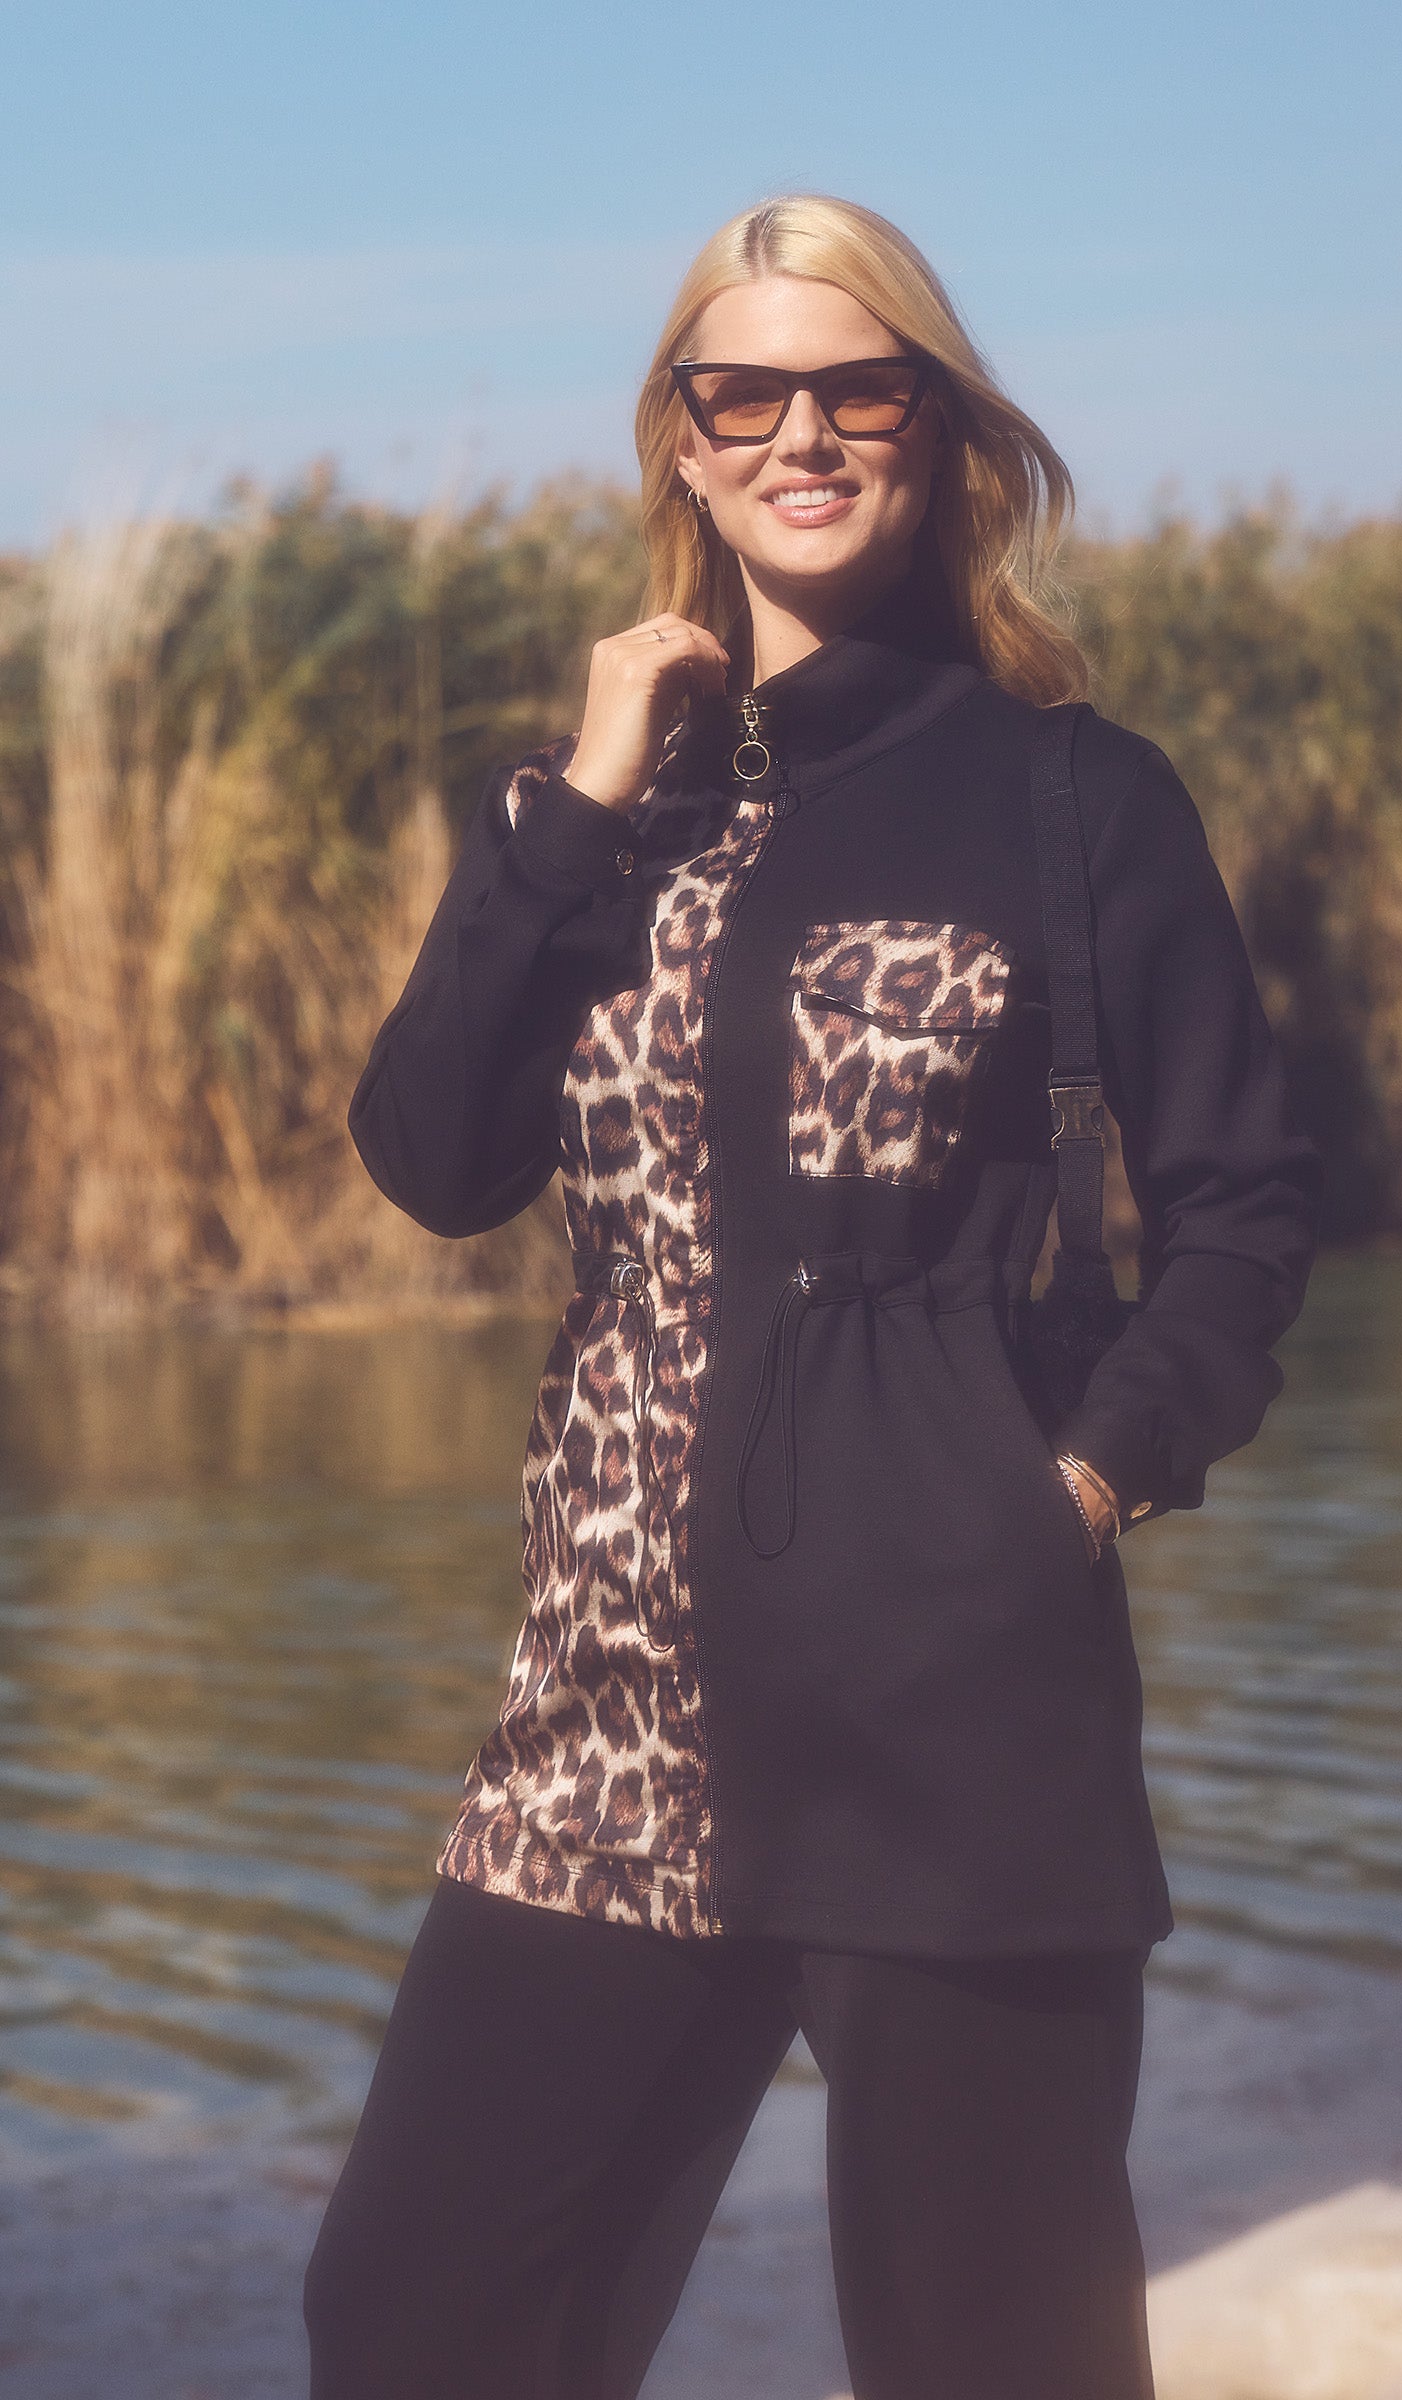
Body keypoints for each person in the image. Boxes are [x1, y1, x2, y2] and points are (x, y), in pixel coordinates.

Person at [305, 192, 1323, 2399]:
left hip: (948, 1700)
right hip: (606, 1715)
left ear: (937, 430)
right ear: (679, 441)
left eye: (857, 387)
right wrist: (577, 804)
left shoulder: (1073, 797)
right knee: (410, 2317)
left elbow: (1243, 1210)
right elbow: (433, 1160)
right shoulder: (603, 809)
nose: (801, 433)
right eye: (743, 392)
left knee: (988, 2362)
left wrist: (1077, 1482)